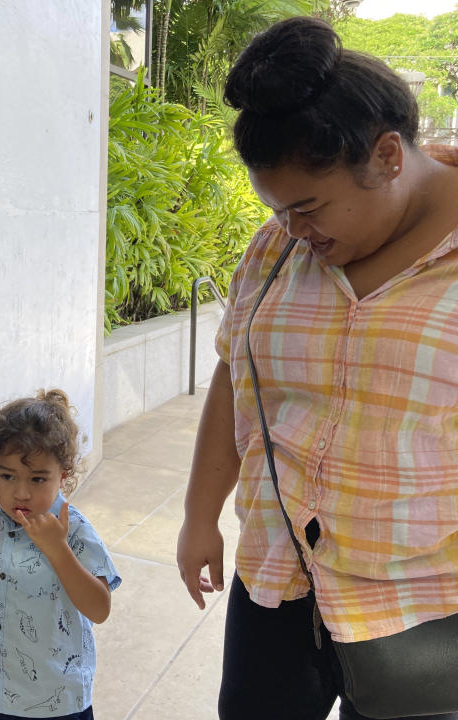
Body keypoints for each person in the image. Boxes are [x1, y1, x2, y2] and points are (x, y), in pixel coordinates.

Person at [176, 15, 458, 720]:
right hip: (277, 577)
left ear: (388, 156)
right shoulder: (275, 252)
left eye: (308, 205)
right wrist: (197, 516)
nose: (293, 230)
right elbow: (234, 383)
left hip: (421, 600)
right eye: (276, 208)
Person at [0, 390, 121, 720]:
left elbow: (100, 608)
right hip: (1, 690)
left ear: (63, 476)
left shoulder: (75, 529)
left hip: (58, 697)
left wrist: (57, 549)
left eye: (38, 479)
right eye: (7, 476)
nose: (20, 492)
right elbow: (0, 578)